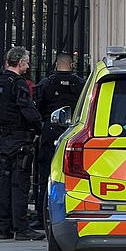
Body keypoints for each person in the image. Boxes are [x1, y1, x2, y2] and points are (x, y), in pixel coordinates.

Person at [0, 46, 44, 241]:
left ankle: (2, 227)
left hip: (2, 139)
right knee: (19, 185)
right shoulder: (18, 84)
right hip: (19, 140)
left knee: (2, 183)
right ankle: (21, 227)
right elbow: (27, 110)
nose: (28, 66)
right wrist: (39, 127)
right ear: (20, 63)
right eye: (26, 62)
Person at [33, 53, 84, 225]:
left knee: (46, 173)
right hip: (74, 132)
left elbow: (36, 108)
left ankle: (42, 216)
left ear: (56, 64)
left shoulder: (46, 83)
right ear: (72, 64)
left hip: (51, 131)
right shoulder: (81, 84)